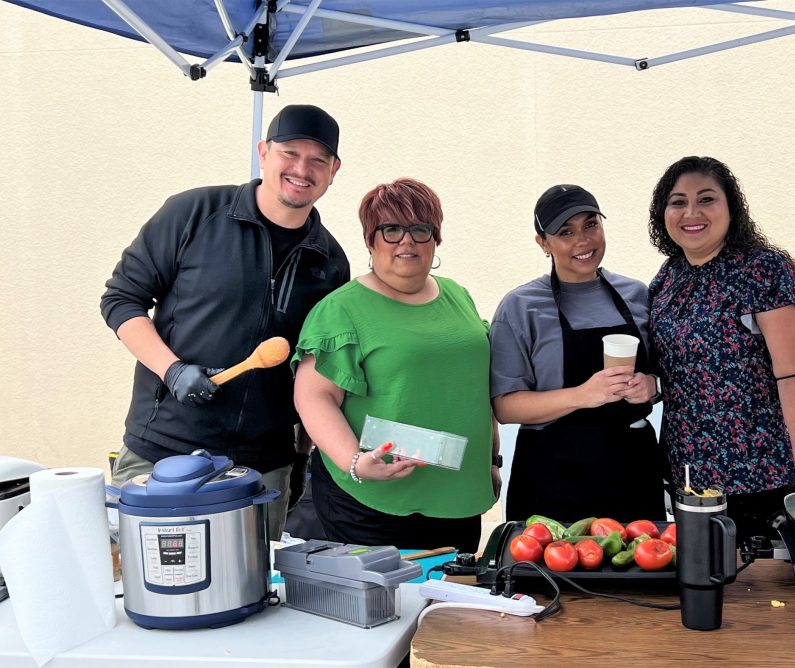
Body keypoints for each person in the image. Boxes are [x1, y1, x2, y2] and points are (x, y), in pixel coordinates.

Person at [100, 104, 350, 540]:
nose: (301, 169)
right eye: (289, 153)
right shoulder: (193, 214)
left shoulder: (330, 262)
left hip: (263, 468)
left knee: (251, 595)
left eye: (317, 161)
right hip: (163, 452)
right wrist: (172, 369)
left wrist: (301, 455)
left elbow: (316, 372)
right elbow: (122, 300)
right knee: (149, 588)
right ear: (263, 153)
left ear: (333, 171)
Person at [292, 178, 496, 553]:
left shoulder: (457, 295)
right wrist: (354, 461)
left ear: (436, 239)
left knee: (446, 609)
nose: (407, 241)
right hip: (374, 500)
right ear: (371, 239)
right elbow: (314, 398)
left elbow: (476, 387)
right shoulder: (341, 310)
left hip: (456, 498)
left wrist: (493, 461)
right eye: (391, 230)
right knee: (385, 607)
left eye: (420, 229)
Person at [646, 156, 795, 544]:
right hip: (691, 481)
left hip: (762, 476)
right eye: (678, 202)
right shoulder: (667, 279)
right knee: (703, 589)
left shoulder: (764, 271)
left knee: (761, 598)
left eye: (706, 199)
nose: (691, 212)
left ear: (731, 209)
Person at [489, 185, 667, 523]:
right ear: (543, 243)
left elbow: (665, 376)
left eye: (591, 225)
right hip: (552, 476)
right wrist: (583, 395)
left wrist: (651, 386)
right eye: (565, 232)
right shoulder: (521, 307)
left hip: (632, 470)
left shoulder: (638, 294)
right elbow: (506, 406)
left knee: (642, 573)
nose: (583, 241)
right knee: (546, 575)